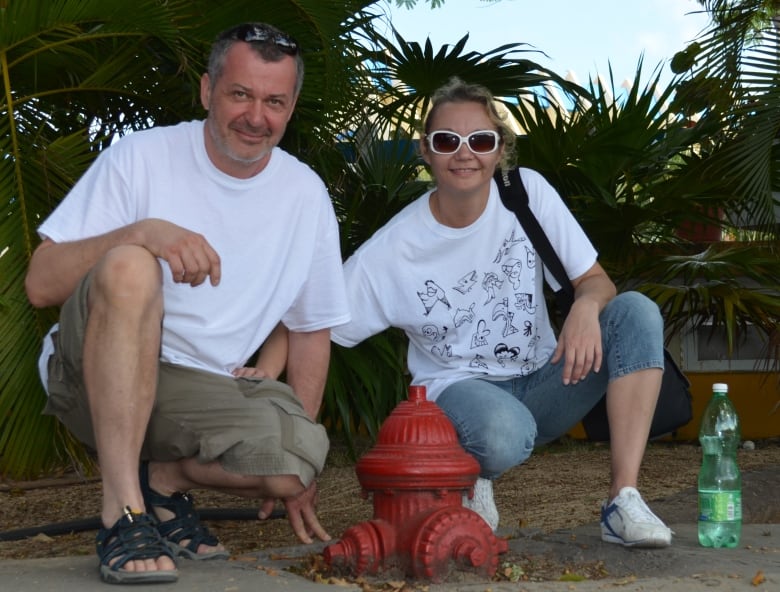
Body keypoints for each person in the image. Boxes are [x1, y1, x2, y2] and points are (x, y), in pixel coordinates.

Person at [24, 22, 350, 585]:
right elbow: (40, 284)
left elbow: (310, 328)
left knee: (293, 468)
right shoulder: (141, 157)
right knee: (131, 263)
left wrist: (295, 439)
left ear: (290, 108)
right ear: (206, 91)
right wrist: (142, 232)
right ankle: (122, 512)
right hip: (89, 373)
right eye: (240, 94)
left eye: (274, 101)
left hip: (197, 389)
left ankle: (164, 482)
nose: (256, 116)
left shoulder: (305, 195)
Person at [330, 77, 673, 548]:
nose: (464, 153)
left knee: (636, 311)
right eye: (447, 141)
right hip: (458, 392)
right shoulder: (396, 246)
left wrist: (585, 307)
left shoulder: (525, 194)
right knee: (504, 431)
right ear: (426, 152)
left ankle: (623, 500)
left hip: (546, 378)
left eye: (481, 140)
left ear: (499, 151)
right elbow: (316, 318)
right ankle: (474, 475)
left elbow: (597, 282)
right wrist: (259, 370)